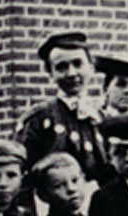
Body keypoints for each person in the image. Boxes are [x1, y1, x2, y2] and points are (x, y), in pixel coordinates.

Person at [15, 31, 109, 194]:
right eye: (61, 67)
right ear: (51, 73)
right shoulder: (39, 119)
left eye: (78, 64)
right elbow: (22, 178)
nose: (71, 73)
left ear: (91, 68)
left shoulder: (103, 118)